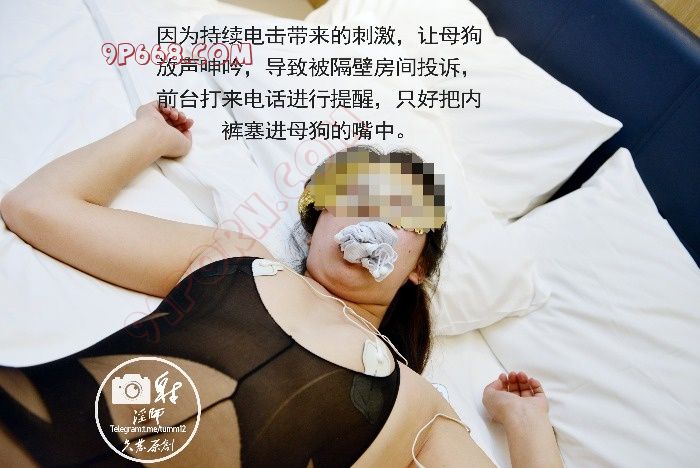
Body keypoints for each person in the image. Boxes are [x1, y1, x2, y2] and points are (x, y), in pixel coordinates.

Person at [0, 102, 563, 467]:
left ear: (418, 267)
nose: (370, 219)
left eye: (400, 213)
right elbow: (37, 207)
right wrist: (150, 134)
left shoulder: (419, 409)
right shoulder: (231, 256)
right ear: (319, 222)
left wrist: (526, 425)